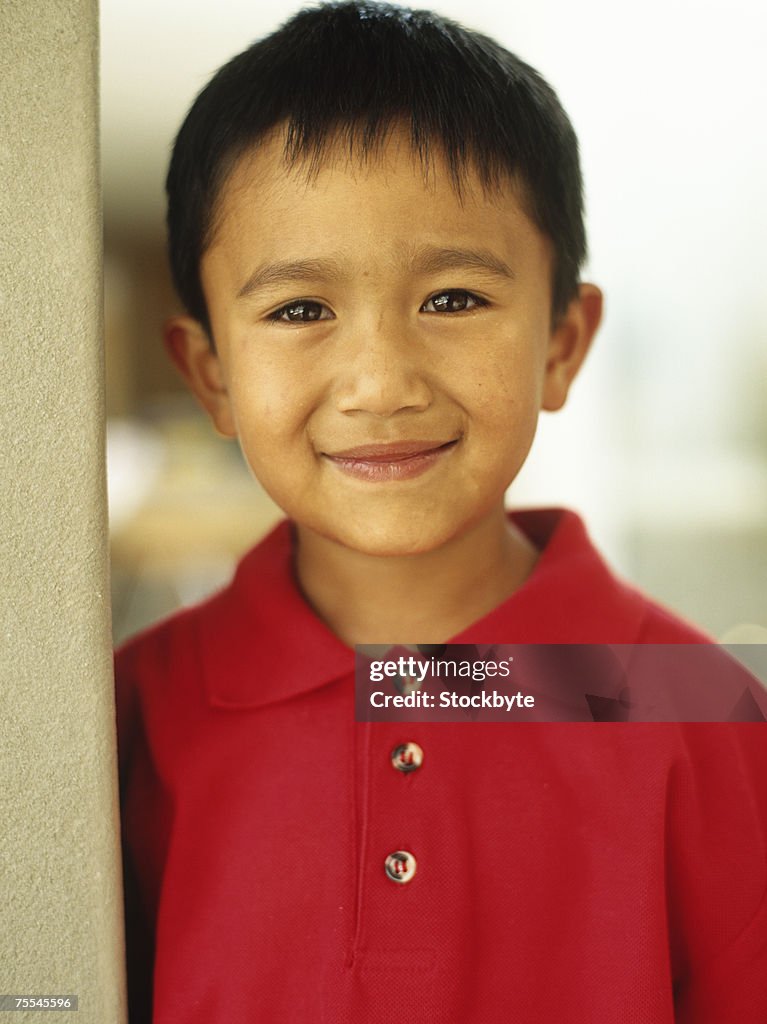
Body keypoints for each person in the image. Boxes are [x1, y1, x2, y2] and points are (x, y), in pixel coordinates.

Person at [114, 2, 767, 1021]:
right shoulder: (125, 717)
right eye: (299, 310)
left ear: (560, 342)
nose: (378, 383)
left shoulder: (707, 715)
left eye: (453, 298)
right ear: (211, 376)